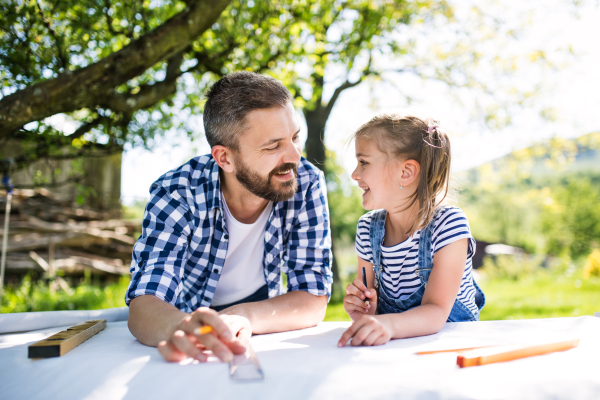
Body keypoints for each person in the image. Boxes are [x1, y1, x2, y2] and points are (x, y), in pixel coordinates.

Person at [126, 72, 332, 362]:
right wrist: (179, 326)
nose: (295, 156)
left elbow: (312, 299)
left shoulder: (306, 181)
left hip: (263, 314)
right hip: (189, 313)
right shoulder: (177, 192)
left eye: (295, 137)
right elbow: (145, 302)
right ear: (225, 158)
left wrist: (241, 316)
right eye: (273, 146)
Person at [338, 112, 485, 347]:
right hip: (396, 351)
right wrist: (367, 312)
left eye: (363, 162)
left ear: (405, 173)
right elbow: (371, 310)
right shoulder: (367, 229)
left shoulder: (448, 225)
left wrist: (389, 325)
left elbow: (436, 311)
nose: (355, 174)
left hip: (449, 348)